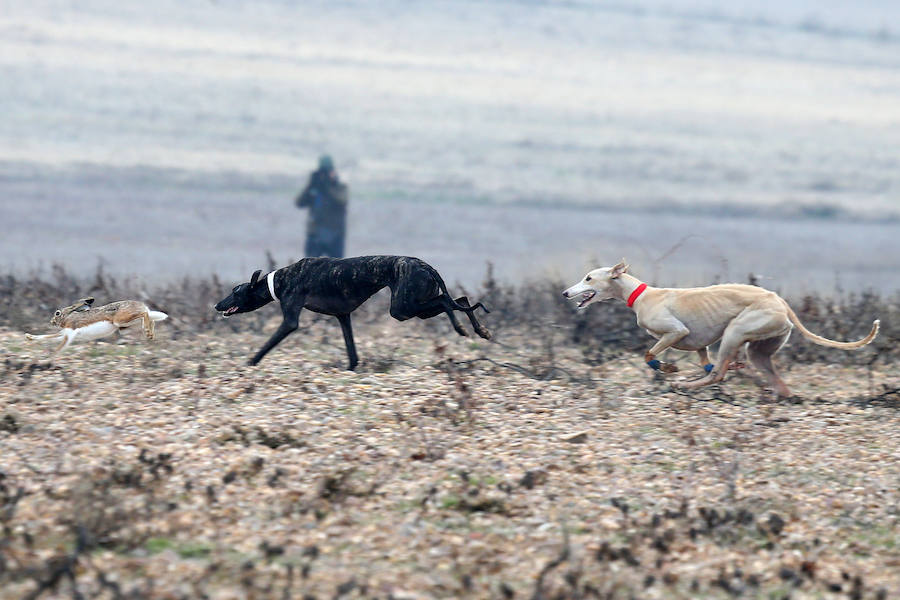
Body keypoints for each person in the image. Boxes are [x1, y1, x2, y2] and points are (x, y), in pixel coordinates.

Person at [295, 155, 349, 257]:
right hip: (315, 234)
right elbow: (299, 202)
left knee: (337, 269)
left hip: (335, 235)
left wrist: (327, 187)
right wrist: (310, 185)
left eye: (327, 171)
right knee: (310, 268)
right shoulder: (315, 188)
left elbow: (342, 200)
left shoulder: (339, 186)